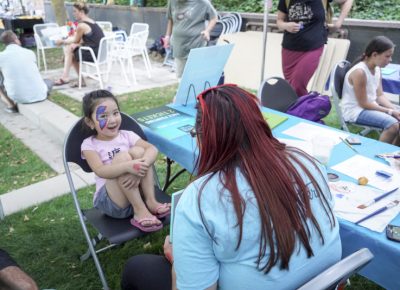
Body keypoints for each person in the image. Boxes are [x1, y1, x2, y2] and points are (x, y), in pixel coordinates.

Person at [122, 84, 341, 290]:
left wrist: (178, 262)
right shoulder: (305, 160)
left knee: (137, 268)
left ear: (203, 137)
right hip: (323, 282)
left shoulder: (201, 199)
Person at [81, 89, 170, 232]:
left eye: (115, 113)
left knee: (139, 151)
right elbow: (101, 171)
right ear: (90, 122)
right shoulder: (89, 144)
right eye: (103, 115)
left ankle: (151, 202)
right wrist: (128, 166)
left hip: (137, 192)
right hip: (113, 202)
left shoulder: (127, 135)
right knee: (123, 157)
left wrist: (139, 167)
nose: (112, 120)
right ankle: (140, 211)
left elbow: (152, 149)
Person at [276, 0, 353, 97]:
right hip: (289, 48)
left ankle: (300, 108)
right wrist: (286, 26)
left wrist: (338, 23)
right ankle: (296, 109)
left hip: (313, 48)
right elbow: (279, 22)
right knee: (290, 86)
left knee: (298, 85)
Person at [341, 36, 399, 145]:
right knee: (393, 125)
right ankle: (379, 156)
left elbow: (380, 95)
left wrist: (394, 109)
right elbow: (363, 104)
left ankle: (393, 154)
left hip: (370, 106)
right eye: (387, 56)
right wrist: (390, 112)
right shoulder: (360, 72)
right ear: (374, 55)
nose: (390, 60)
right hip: (355, 111)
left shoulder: (377, 68)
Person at [0, 30, 52, 113]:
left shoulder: (1, 56)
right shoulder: (30, 52)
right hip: (40, 94)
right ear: (16, 39)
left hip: (17, 97)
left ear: (4, 44)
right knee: (48, 81)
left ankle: (11, 106)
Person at [54, 2, 104, 88]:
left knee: (70, 50)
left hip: (94, 54)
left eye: (75, 11)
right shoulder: (92, 21)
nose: (73, 14)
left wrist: (62, 41)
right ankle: (79, 79)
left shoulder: (81, 25)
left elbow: (75, 39)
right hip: (101, 53)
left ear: (81, 12)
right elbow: (89, 39)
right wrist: (79, 44)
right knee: (72, 49)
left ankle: (66, 77)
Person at [164, 0, 218, 78]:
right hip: (179, 45)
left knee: (196, 76)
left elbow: (214, 18)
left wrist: (207, 31)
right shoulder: (172, 2)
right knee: (181, 77)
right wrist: (167, 36)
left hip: (196, 44)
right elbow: (170, 19)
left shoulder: (202, 2)